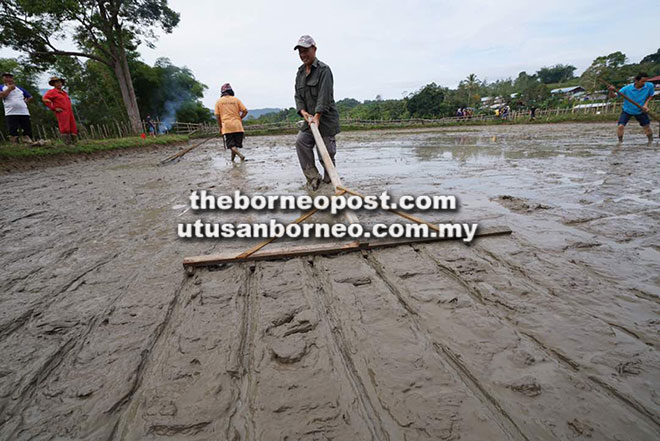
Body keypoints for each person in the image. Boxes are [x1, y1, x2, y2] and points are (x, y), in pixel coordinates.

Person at [293, 35, 341, 190]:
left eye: (305, 50)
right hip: (309, 120)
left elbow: (324, 96)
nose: (303, 55)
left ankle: (329, 180)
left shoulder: (324, 70)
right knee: (301, 142)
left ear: (314, 49)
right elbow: (298, 96)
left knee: (325, 154)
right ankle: (313, 177)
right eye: (300, 51)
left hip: (324, 120)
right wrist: (303, 112)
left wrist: (318, 116)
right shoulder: (300, 73)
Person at [609, 72, 654, 145]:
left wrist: (645, 105)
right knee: (620, 126)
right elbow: (613, 96)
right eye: (642, 81)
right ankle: (620, 142)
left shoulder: (649, 86)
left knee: (647, 127)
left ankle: (651, 141)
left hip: (640, 110)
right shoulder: (627, 89)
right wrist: (611, 90)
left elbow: (650, 96)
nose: (644, 83)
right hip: (627, 110)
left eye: (646, 81)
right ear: (636, 81)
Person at [214, 83, 248, 161]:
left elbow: (217, 116)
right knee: (235, 145)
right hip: (237, 125)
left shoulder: (219, 101)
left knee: (231, 145)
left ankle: (240, 155)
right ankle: (232, 160)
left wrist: (220, 127)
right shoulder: (236, 100)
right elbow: (245, 111)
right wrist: (240, 118)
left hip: (227, 126)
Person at [0, 72, 34, 144]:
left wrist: (25, 101)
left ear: (12, 78)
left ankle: (28, 143)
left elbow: (30, 96)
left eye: (10, 77)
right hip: (11, 112)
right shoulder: (1, 87)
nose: (9, 79)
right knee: (13, 130)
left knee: (27, 129)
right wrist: (9, 89)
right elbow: (2, 95)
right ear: (3, 78)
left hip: (24, 111)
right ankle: (14, 144)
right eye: (6, 77)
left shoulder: (19, 88)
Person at [43, 76, 78, 144]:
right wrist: (54, 108)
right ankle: (66, 143)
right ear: (53, 84)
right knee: (65, 127)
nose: (59, 84)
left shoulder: (64, 92)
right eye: (57, 82)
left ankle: (74, 143)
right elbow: (45, 99)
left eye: (60, 82)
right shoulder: (52, 92)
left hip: (69, 112)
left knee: (73, 126)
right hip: (62, 112)